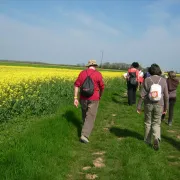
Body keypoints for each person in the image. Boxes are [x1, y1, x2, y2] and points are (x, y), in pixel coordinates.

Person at [137, 64, 169, 150]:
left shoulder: (147, 79)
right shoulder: (163, 80)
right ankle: (156, 138)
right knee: (156, 123)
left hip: (148, 103)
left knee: (148, 122)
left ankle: (147, 141)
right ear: (159, 71)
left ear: (150, 71)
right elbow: (166, 96)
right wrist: (166, 108)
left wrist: (139, 106)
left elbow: (142, 95)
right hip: (160, 104)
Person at [74, 59, 105, 143]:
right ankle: (84, 135)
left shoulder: (82, 73)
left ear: (88, 66)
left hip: (83, 98)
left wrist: (75, 98)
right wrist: (100, 95)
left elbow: (76, 85)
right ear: (95, 66)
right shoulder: (98, 74)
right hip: (94, 98)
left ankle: (85, 129)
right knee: (90, 116)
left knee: (85, 114)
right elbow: (102, 87)